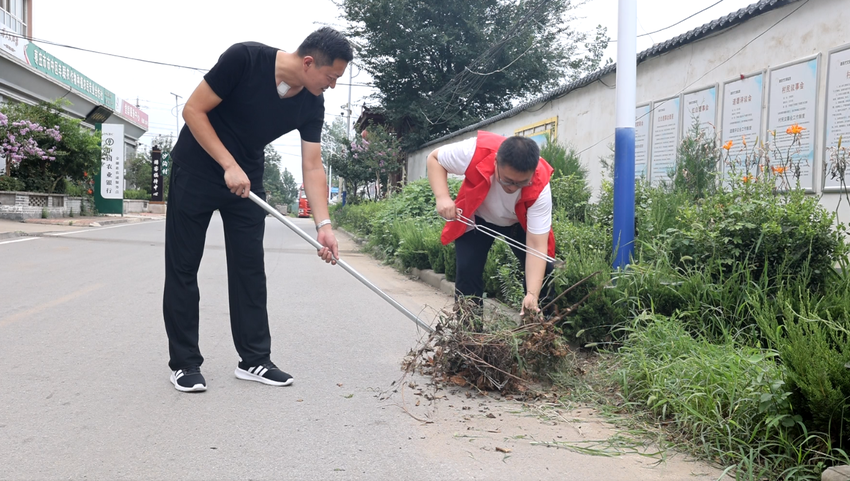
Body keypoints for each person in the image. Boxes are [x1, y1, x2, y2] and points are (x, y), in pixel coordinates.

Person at [163, 27, 353, 393]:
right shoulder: (245, 59)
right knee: (184, 266)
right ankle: (184, 363)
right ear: (309, 62)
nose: (331, 85)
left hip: (246, 181)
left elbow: (313, 165)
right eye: (331, 77)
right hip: (197, 170)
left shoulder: (312, 102)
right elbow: (193, 109)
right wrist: (226, 164)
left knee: (250, 269)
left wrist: (324, 224)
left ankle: (254, 360)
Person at [426, 131, 555, 317]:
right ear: (495, 163)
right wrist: (442, 197)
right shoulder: (475, 151)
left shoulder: (541, 186)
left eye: (522, 183)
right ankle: (469, 335)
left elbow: (537, 246)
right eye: (507, 180)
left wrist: (532, 294)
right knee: (468, 271)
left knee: (545, 273)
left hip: (518, 222)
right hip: (478, 217)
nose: (512, 188)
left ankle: (541, 330)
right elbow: (435, 159)